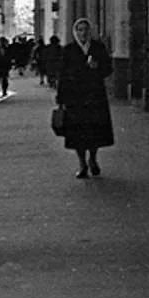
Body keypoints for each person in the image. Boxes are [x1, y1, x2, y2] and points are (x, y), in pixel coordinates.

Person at [55, 18, 114, 178]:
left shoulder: (98, 48)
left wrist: (98, 67)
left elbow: (108, 68)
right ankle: (82, 164)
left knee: (94, 131)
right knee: (77, 133)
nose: (83, 33)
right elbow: (62, 75)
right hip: (75, 98)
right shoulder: (69, 50)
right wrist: (60, 98)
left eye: (85, 30)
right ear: (75, 32)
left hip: (94, 96)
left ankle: (93, 159)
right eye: (79, 30)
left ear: (90, 32)